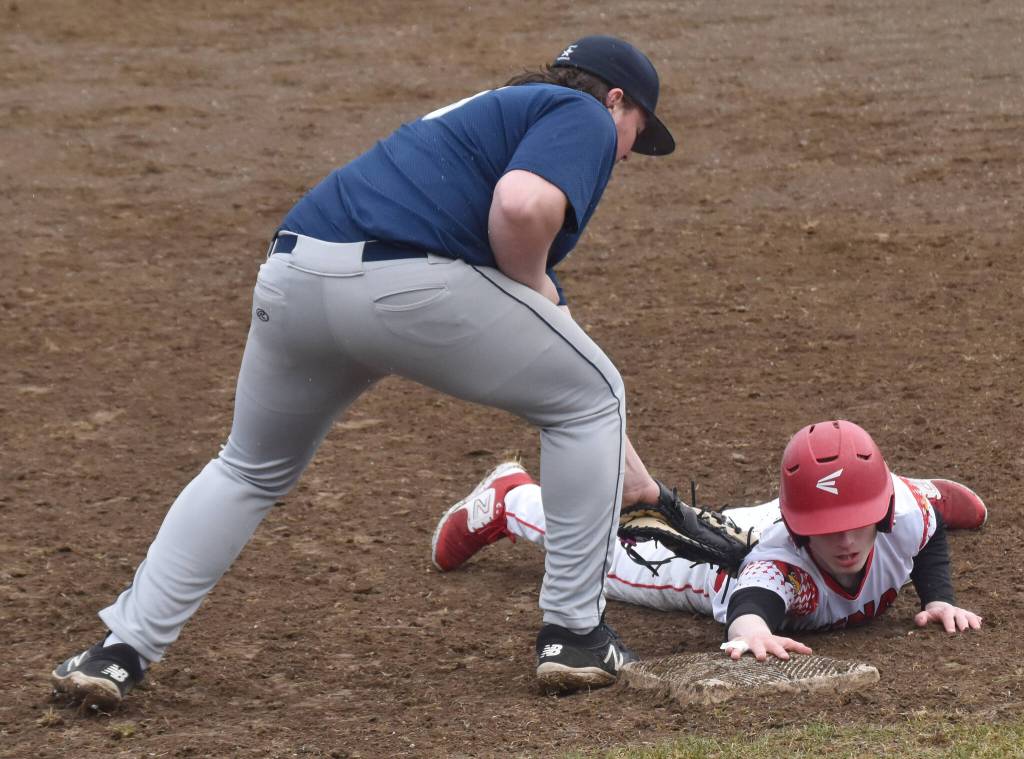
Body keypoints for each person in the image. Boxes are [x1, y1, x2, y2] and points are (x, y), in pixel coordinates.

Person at [50, 35, 677, 709]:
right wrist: (528, 282)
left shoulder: (490, 117)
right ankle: (576, 634)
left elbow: (555, 332)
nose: (623, 154)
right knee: (594, 395)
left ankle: (119, 649)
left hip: (296, 275)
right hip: (406, 282)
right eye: (634, 134)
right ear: (616, 101)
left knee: (247, 467)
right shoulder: (577, 114)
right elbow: (521, 209)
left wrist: (633, 477)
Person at [432, 420, 985, 672]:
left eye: (858, 520)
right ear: (798, 527)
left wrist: (936, 597)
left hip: (786, 518)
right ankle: (512, 501)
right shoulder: (780, 569)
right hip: (715, 574)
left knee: (734, 519)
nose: (845, 540)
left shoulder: (905, 514)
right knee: (613, 553)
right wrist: (755, 636)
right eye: (825, 526)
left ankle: (655, 493)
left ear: (884, 510)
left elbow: (928, 526)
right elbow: (749, 610)